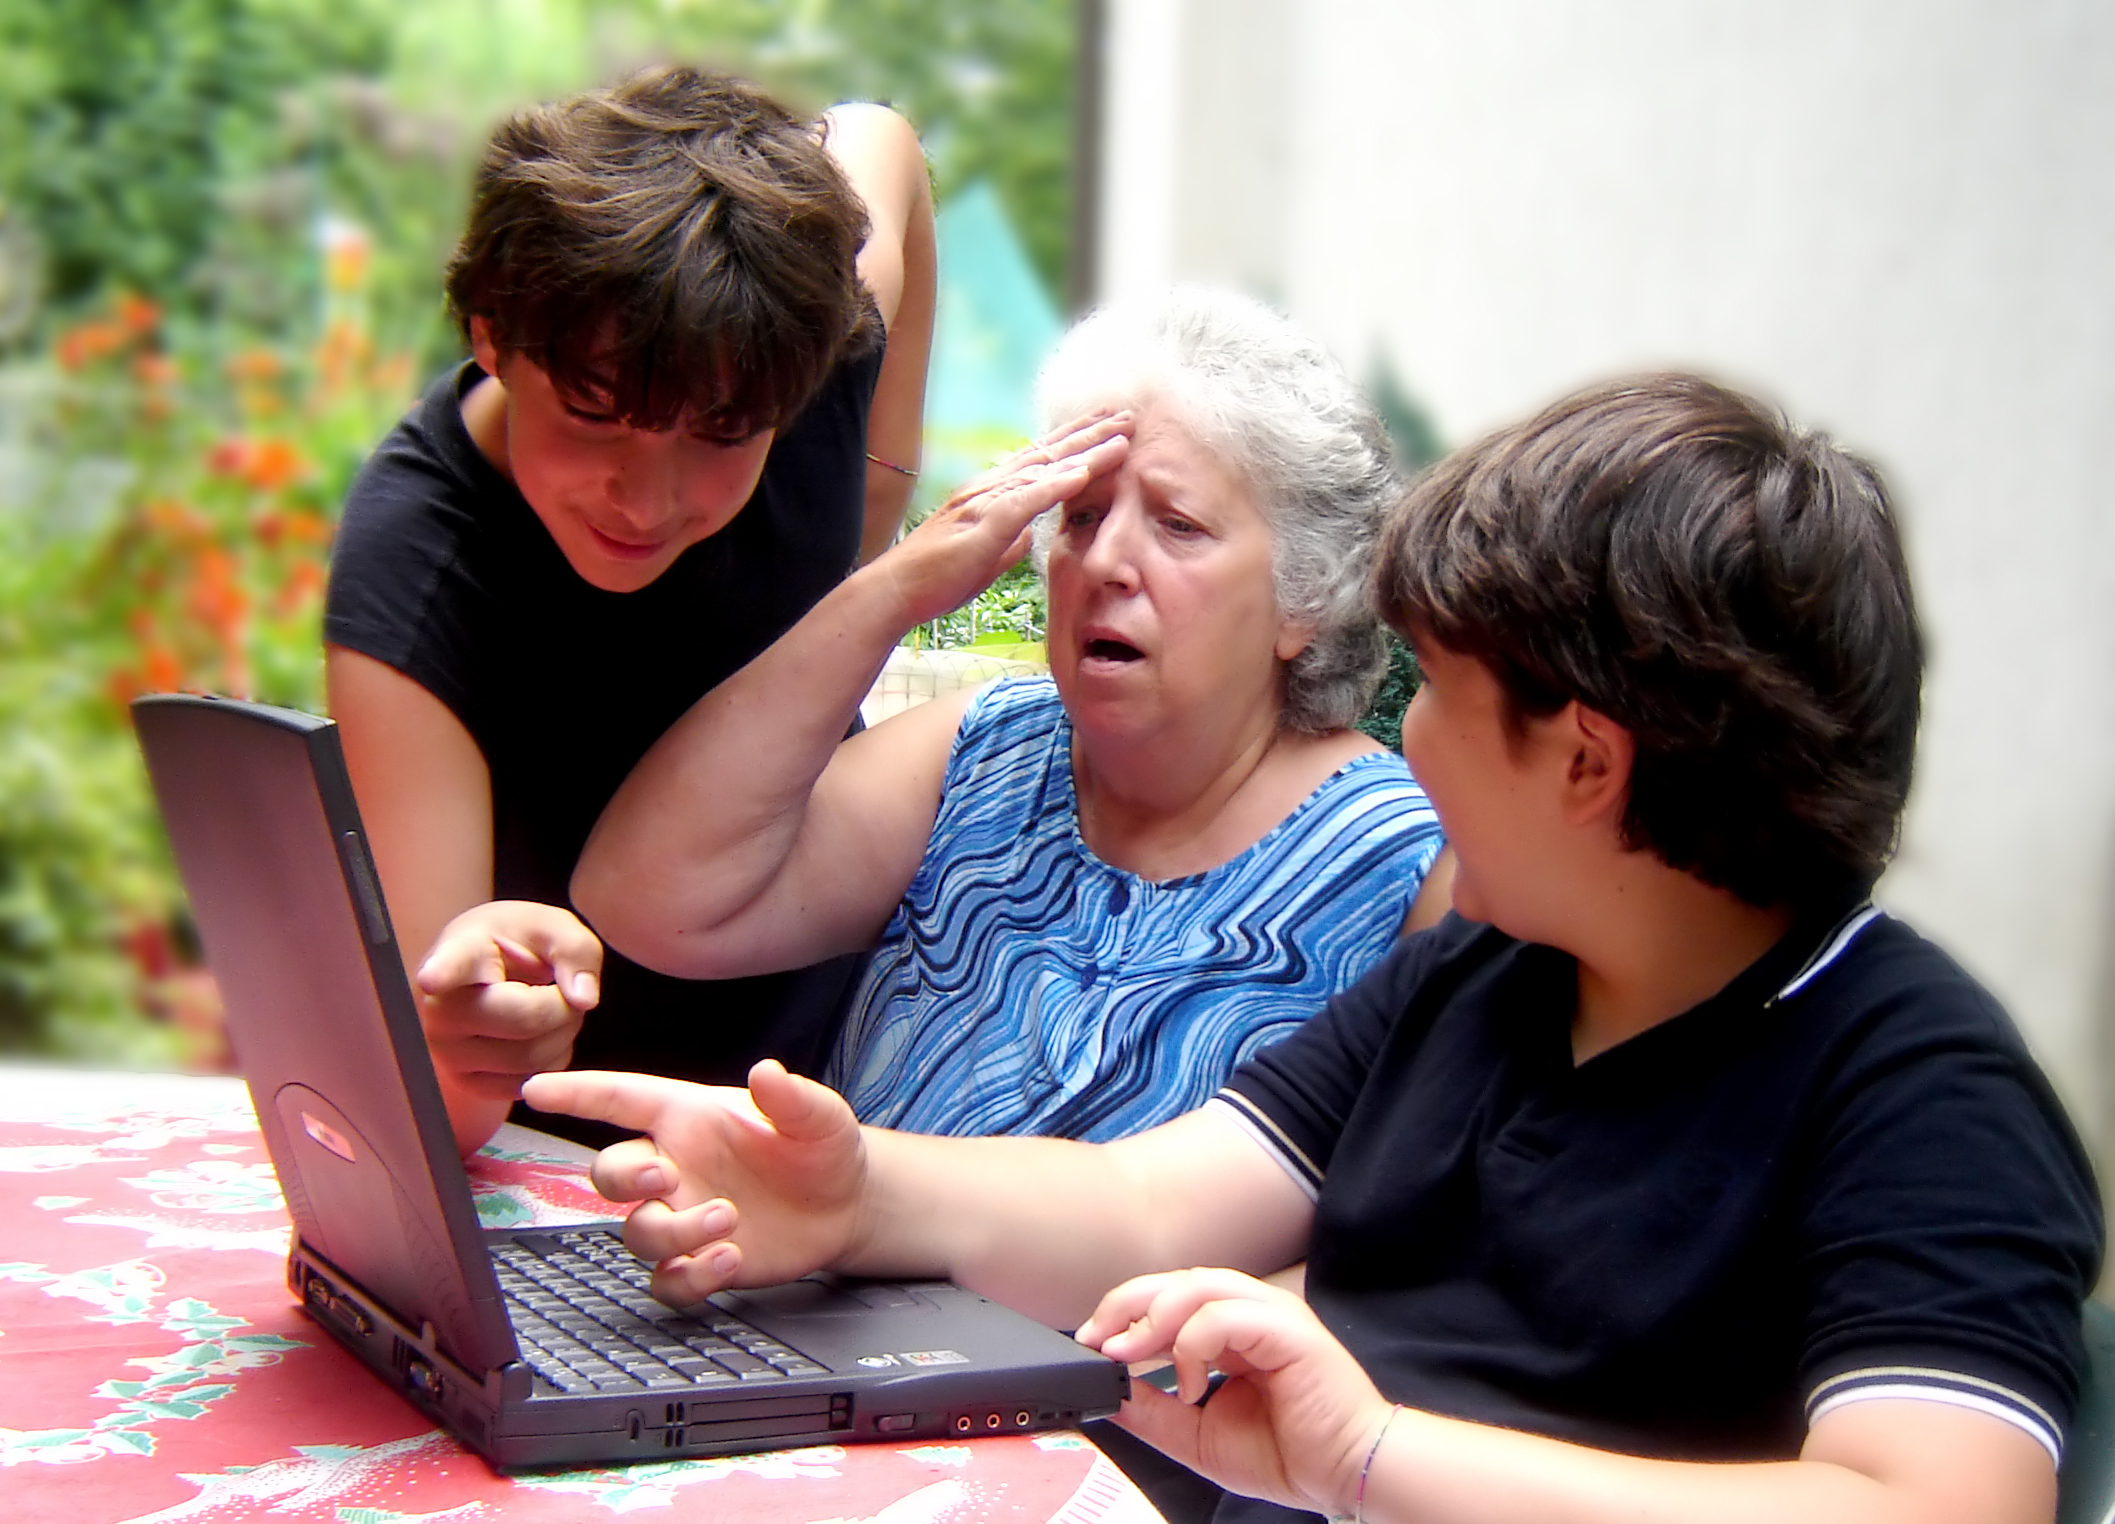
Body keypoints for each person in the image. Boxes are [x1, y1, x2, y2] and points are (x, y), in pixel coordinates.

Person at [524, 373, 2103, 1524]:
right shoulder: (1488, 979)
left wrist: (1367, 1461)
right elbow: (1150, 1199)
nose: (1398, 755)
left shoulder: (1914, 1085)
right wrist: (856, 1190)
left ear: (1584, 761)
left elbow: (1937, 1510)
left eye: (1434, 699)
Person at [450, 287, 1449, 1145]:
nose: (1103, 563)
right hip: (834, 1343)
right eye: (1083, 516)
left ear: (1305, 596)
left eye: (1179, 527)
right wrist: (892, 591)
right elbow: (645, 901)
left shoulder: (1405, 862)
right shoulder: (991, 749)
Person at [322, 66, 936, 1153]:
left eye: (720, 434)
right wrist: (479, 1031)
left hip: (858, 1073)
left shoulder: (803, 340)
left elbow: (883, 142)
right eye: (595, 415)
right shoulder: (414, 577)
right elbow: (440, 1088)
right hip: (583, 1150)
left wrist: (880, 485)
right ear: (492, 337)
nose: (647, 502)